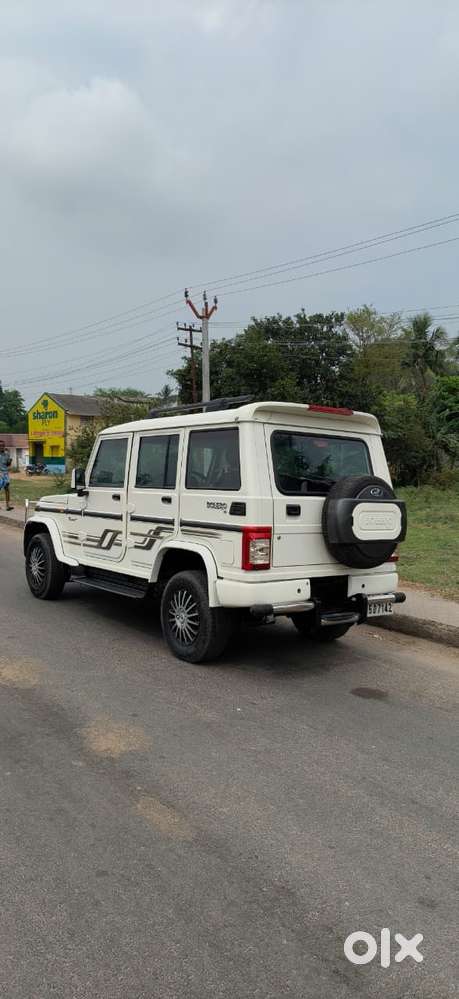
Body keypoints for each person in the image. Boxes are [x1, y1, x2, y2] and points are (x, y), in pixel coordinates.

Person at [0, 441, 14, 511]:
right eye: (0, 446)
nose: (2, 447)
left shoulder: (6, 454)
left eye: (3, 446)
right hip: (0, 473)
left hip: (5, 473)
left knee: (7, 489)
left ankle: (7, 506)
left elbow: (8, 464)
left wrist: (10, 461)